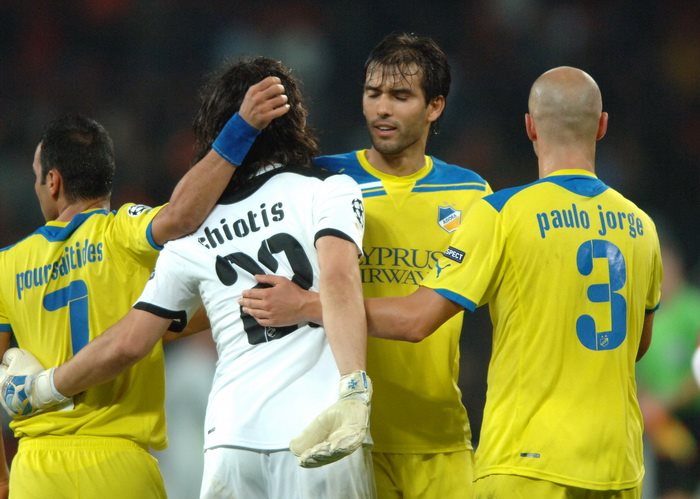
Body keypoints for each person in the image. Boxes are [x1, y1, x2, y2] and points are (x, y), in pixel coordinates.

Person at [1, 57, 376, 499]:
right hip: (300, 427)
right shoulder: (327, 188)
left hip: (224, 439)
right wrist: (352, 383)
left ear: (52, 181)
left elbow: (134, 338)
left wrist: (40, 393)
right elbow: (339, 283)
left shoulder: (191, 236)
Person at [359, 66, 663, 498]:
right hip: (619, 465)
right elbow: (638, 344)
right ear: (601, 126)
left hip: (527, 462)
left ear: (530, 127)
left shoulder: (502, 213)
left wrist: (310, 306)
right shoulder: (643, 227)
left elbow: (415, 320)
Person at [240, 32, 491, 499]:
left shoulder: (472, 195)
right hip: (343, 442)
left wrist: (307, 306)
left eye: (400, 96)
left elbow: (420, 320)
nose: (382, 109)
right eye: (373, 94)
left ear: (435, 106)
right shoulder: (322, 180)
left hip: (440, 442)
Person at [636, 232, 700, 499]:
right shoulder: (646, 314)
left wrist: (666, 400)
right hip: (664, 424)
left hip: (692, 415)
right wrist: (645, 401)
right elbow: (636, 372)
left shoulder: (692, 309)